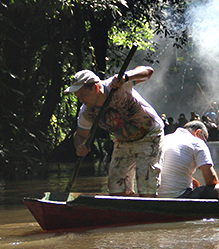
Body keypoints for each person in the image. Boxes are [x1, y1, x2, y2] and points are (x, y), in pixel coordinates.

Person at [67, 66, 163, 196]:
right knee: (116, 187)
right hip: (123, 141)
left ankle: (148, 210)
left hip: (149, 135)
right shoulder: (87, 113)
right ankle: (124, 213)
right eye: (77, 96)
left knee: (146, 185)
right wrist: (80, 146)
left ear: (95, 88)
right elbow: (80, 135)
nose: (80, 100)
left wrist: (126, 77)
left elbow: (148, 71)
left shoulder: (118, 84)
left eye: (83, 95)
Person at [157, 120, 219, 200]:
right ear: (198, 132)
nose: (204, 142)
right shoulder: (197, 142)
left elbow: (169, 167)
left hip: (155, 196)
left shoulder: (165, 138)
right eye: (205, 139)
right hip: (179, 197)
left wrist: (191, 180)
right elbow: (211, 180)